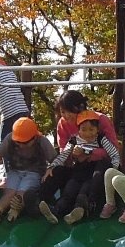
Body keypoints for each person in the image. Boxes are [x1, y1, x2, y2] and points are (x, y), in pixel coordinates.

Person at [37, 90, 120, 225]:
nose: (65, 116)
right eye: (62, 112)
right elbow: (64, 152)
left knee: (90, 181)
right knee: (63, 179)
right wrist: (54, 165)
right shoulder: (69, 132)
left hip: (98, 166)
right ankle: (46, 205)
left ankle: (82, 207)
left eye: (68, 111)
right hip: (77, 166)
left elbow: (113, 151)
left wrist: (88, 153)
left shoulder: (100, 125)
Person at [0, 118, 55, 222]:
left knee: (23, 189)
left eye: (25, 143)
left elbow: (55, 159)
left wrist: (50, 168)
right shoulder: (10, 139)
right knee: (10, 191)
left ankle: (15, 209)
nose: (21, 145)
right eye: (18, 142)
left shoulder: (42, 141)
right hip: (15, 171)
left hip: (34, 172)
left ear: (34, 138)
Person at [0, 48, 32, 142]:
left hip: (9, 114)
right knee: (25, 141)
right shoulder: (7, 70)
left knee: (4, 144)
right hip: (24, 111)